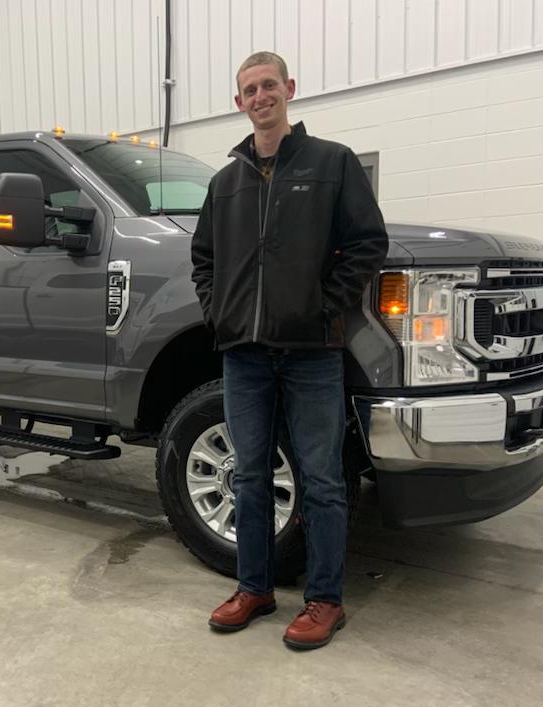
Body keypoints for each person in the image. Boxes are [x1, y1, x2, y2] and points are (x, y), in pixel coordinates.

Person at [191, 51, 388, 650]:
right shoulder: (225, 183)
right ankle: (254, 588)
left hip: (311, 352)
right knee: (249, 475)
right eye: (249, 89)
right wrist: (219, 312)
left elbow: (368, 242)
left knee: (321, 478)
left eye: (268, 85)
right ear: (239, 102)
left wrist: (324, 306)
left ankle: (326, 600)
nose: (260, 97)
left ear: (289, 89)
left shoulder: (332, 163)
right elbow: (204, 259)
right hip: (244, 353)